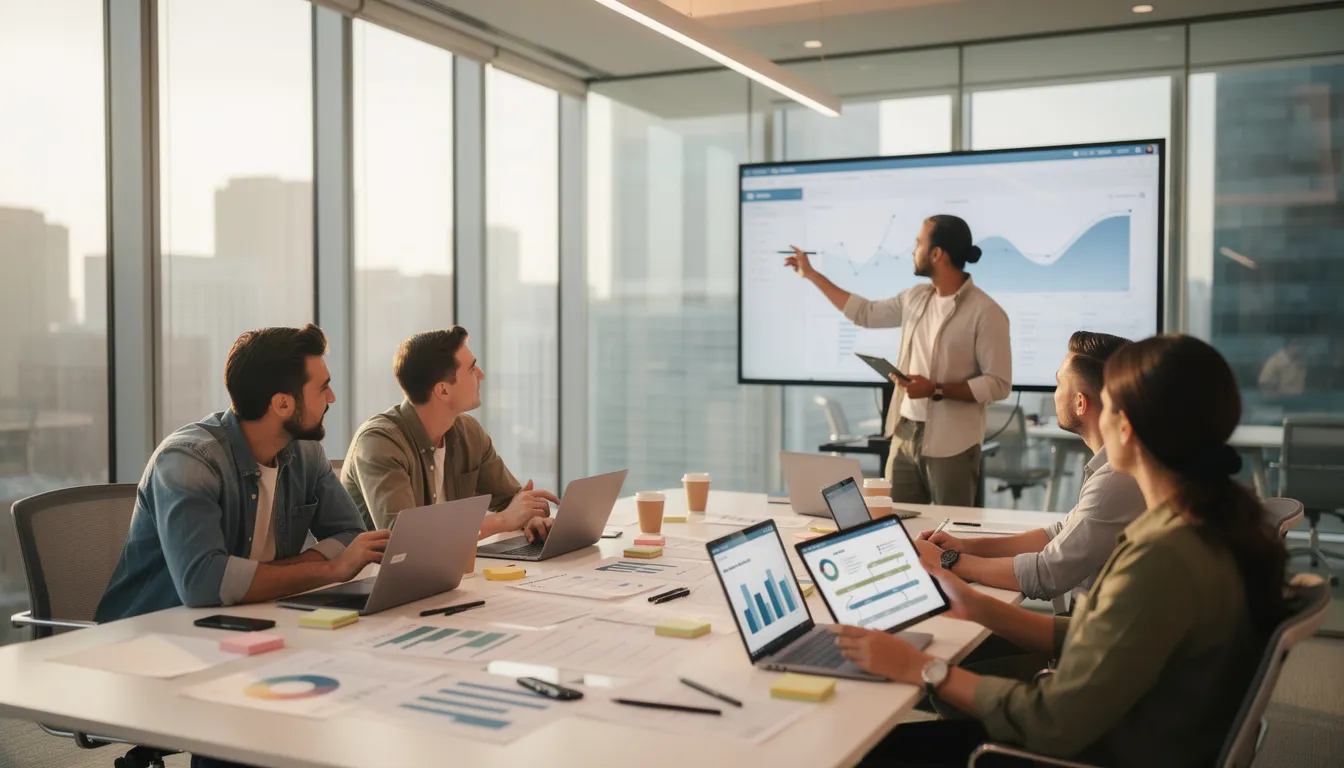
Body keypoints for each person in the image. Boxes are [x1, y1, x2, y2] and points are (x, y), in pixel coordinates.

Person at [829, 334, 1288, 768]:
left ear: (1124, 426)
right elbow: (1104, 641)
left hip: (1091, 751)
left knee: (863, 750)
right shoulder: (1210, 523)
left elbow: (1052, 721)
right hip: (1140, 732)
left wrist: (925, 669)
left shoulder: (1163, 558)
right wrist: (976, 605)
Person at [96, 324, 387, 622]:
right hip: (148, 636)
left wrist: (283, 572)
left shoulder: (305, 453)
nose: (332, 398)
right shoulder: (189, 461)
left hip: (246, 621)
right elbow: (203, 582)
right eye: (323, 387)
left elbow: (352, 535)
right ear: (282, 403)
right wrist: (329, 569)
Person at [786, 214, 1011, 507]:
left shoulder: (986, 312)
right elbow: (864, 312)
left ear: (937, 254)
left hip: (952, 443)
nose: (912, 250)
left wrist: (936, 389)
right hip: (904, 434)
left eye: (918, 243)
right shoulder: (915, 297)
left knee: (951, 534)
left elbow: (998, 384)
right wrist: (812, 275)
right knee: (893, 525)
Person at [915, 331, 1145, 609]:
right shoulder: (1111, 468)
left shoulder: (1114, 477)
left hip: (1082, 638)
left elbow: (1047, 574)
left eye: (1059, 383)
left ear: (1081, 403)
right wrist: (965, 546)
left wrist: (949, 562)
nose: (1055, 393)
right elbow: (1060, 532)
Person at [342, 327, 557, 543]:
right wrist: (502, 521)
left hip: (447, 569)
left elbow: (511, 501)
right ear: (443, 390)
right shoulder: (379, 442)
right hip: (377, 574)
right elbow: (404, 536)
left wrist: (529, 518)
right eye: (472, 370)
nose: (481, 374)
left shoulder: (468, 432)